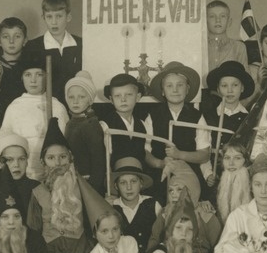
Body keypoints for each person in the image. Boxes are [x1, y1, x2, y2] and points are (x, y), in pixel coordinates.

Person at [27, 119, 96, 253]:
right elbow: (33, 230)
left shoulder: (84, 187)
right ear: (43, 162)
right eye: (51, 158)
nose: (58, 163)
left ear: (71, 159)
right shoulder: (37, 193)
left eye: (63, 157)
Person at [144, 61, 212, 201]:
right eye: (169, 86)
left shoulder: (196, 116)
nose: (175, 90)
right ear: (163, 91)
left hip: (190, 176)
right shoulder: (153, 116)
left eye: (180, 85)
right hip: (160, 177)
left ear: (187, 89)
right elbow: (145, 151)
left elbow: (204, 155)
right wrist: (160, 163)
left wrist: (179, 154)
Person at [0, 50, 68, 181]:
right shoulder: (15, 107)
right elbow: (6, 140)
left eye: (39, 75)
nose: (33, 80)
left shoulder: (56, 106)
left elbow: (64, 141)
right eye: (28, 75)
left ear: (47, 77)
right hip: (23, 171)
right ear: (21, 77)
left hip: (51, 171)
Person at [23, 0, 83, 101]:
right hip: (46, 106)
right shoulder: (33, 46)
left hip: (76, 105)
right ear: (43, 17)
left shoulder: (80, 44)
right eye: (49, 17)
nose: (54, 22)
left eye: (59, 16)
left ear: (68, 17)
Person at [109, 156, 162, 253]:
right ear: (116, 186)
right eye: (123, 182)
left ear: (141, 184)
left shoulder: (153, 204)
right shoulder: (112, 207)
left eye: (133, 181)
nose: (129, 187)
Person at [65, 71, 106, 194]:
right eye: (71, 97)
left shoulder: (90, 124)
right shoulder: (70, 123)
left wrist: (92, 189)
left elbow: (98, 161)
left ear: (90, 100)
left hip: (87, 183)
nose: (75, 101)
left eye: (81, 97)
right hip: (72, 181)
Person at [202, 60, 254, 153]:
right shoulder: (207, 115)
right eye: (224, 85)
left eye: (235, 85)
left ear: (242, 88)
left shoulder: (248, 119)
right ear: (218, 89)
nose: (230, 90)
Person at [101, 73, 148, 167]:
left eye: (129, 94)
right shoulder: (104, 125)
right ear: (111, 99)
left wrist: (160, 163)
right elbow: (105, 159)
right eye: (117, 96)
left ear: (137, 97)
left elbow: (145, 153)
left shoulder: (142, 124)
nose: (123, 99)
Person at [0, 17, 28, 124]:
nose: (11, 41)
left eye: (17, 36)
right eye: (6, 37)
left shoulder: (30, 66)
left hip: (24, 118)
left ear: (25, 41)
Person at [0, 134, 39, 223]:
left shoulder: (36, 188)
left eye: (21, 159)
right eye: (10, 160)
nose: (16, 165)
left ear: (27, 162)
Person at [212, 141, 252, 225]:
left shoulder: (252, 185)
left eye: (237, 158)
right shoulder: (218, 183)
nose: (231, 163)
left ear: (245, 160)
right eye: (227, 158)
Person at [206, 0, 249, 71]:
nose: (218, 20)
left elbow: (245, 76)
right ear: (205, 22)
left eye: (222, 16)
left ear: (229, 22)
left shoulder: (239, 47)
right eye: (212, 16)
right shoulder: (200, 47)